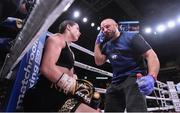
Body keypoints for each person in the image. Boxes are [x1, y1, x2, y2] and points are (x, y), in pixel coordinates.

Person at [23, 20, 100, 112]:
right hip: (47, 93)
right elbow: (46, 68)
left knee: (95, 103)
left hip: (61, 95)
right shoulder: (57, 39)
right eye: (77, 28)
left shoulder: (70, 50)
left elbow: (70, 73)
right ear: (68, 27)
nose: (80, 32)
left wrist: (76, 84)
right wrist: (72, 86)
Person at [94, 18, 160, 112]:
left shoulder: (132, 37)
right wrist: (97, 43)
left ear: (116, 25)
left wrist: (152, 76)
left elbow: (151, 55)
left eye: (107, 26)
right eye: (102, 29)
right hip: (116, 82)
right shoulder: (106, 45)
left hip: (134, 77)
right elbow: (98, 62)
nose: (104, 30)